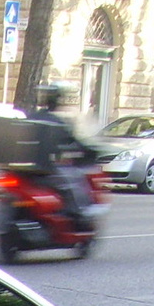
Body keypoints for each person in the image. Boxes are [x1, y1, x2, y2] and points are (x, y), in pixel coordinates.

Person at [26, 82, 94, 221]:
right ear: (56, 100)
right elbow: (72, 141)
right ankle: (76, 215)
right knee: (74, 180)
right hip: (46, 170)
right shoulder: (55, 121)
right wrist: (89, 152)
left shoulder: (32, 117)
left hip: (26, 170)